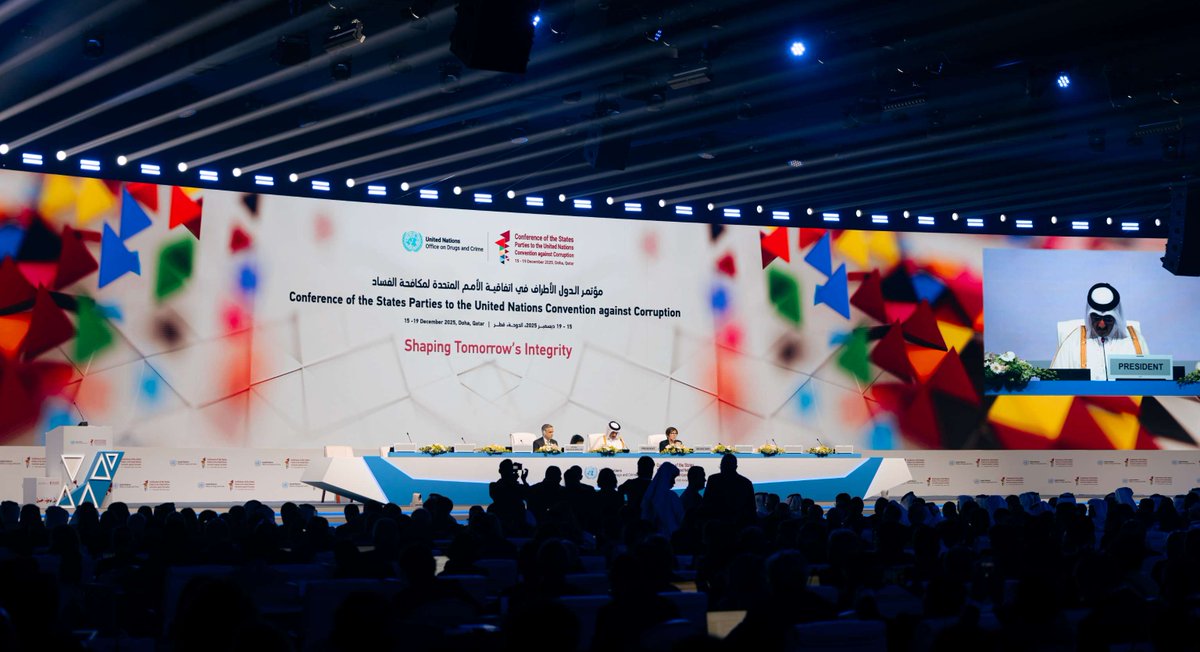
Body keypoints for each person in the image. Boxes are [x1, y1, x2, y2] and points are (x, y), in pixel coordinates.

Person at [1050, 282, 1150, 381]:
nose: (1101, 325)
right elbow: (1054, 383)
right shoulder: (1072, 343)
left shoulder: (1134, 342)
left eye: (1107, 318)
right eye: (1096, 317)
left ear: (1116, 317)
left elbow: (1148, 382)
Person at [702, 453, 756, 526]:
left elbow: (706, 503)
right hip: (739, 525)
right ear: (736, 467)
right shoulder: (746, 483)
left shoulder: (713, 479)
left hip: (716, 525)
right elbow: (751, 509)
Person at [641, 462, 684, 537]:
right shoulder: (671, 496)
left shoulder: (649, 495)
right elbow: (681, 517)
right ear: (667, 478)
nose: (674, 482)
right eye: (673, 478)